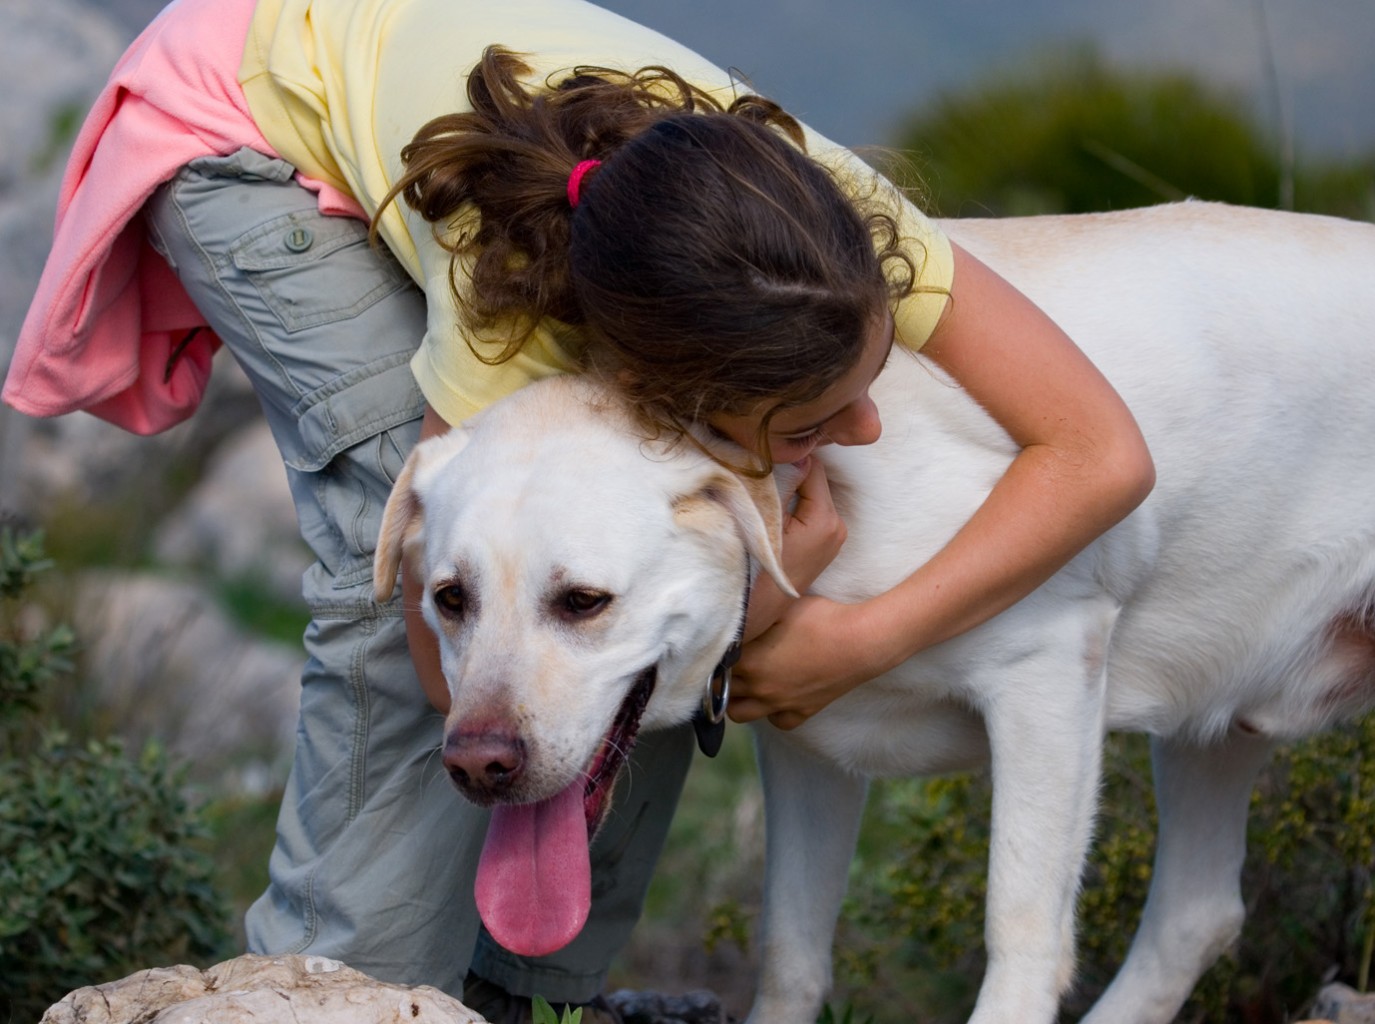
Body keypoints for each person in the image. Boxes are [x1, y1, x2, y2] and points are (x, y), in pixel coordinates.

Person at [3, 0, 1154, 1018]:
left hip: (491, 133)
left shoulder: (839, 233)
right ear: (668, 382)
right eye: (811, 421)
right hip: (239, 110)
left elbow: (1102, 453)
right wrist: (506, 707)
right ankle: (343, 989)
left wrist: (856, 637)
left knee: (645, 586)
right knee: (407, 552)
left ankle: (536, 995)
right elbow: (425, 614)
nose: (862, 432)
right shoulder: (505, 337)